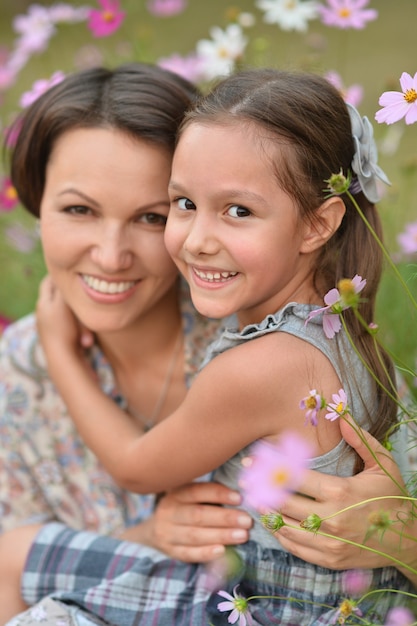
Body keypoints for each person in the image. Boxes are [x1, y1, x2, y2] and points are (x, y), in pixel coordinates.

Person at [8, 67, 416, 626]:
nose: (198, 241)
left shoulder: (259, 363)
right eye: (183, 204)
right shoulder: (334, 326)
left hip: (264, 602)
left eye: (238, 211)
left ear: (318, 224)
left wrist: (62, 354)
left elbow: (134, 467)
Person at [0, 63, 255, 622]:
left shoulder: (254, 338)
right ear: (36, 206)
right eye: (78, 210)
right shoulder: (16, 371)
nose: (111, 255)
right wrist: (151, 534)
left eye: (150, 217)